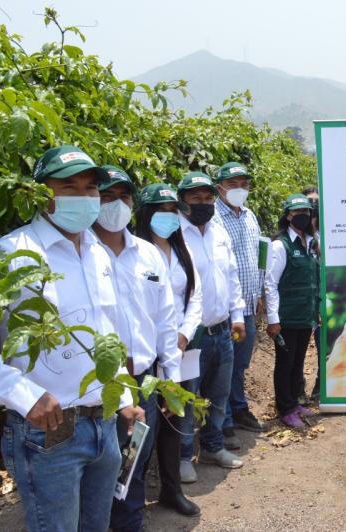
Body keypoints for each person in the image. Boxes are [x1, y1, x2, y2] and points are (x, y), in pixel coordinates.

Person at [0, 145, 143, 532]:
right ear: (41, 193)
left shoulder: (98, 253)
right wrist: (23, 395)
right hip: (49, 432)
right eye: (67, 186)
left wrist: (122, 398)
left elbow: (108, 335)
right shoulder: (11, 256)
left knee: (96, 526)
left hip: (103, 424)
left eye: (90, 189)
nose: (83, 198)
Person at [91, 168, 190, 531]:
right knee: (100, 469)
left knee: (133, 465)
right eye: (106, 197)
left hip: (144, 382)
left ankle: (130, 524)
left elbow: (166, 322)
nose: (116, 205)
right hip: (99, 387)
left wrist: (171, 380)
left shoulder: (147, 255)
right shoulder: (83, 256)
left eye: (124, 197)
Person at [133, 183, 202, 516]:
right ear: (147, 214)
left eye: (172, 211)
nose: (168, 217)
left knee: (175, 417)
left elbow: (196, 295)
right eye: (161, 211)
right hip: (147, 353)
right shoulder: (135, 251)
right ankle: (131, 496)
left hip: (179, 351)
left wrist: (184, 335)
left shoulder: (181, 250)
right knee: (143, 426)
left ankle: (170, 490)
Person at [178, 171, 246, 475]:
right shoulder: (175, 236)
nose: (204, 203)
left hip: (222, 331)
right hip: (193, 338)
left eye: (207, 198)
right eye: (196, 198)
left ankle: (212, 447)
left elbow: (231, 277)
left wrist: (238, 316)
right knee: (188, 398)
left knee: (218, 396)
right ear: (182, 202)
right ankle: (182, 456)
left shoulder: (219, 233)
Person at [212, 162, 267, 449]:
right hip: (226, 309)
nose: (239, 189)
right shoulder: (213, 218)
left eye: (243, 184)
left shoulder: (249, 216)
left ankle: (238, 407)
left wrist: (258, 293)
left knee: (240, 363)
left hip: (248, 306)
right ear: (220, 186)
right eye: (233, 184)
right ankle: (225, 421)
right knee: (224, 365)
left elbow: (256, 255)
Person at [264, 194, 319, 428]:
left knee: (297, 362)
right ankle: (284, 408)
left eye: (307, 213)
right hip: (286, 317)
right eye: (298, 213)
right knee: (285, 363)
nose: (303, 217)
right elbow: (270, 283)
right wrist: (273, 319)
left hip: (305, 315)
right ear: (288, 216)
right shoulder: (280, 246)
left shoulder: (311, 243)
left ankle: (294, 402)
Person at [301, 185, 321, 403]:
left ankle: (320, 385)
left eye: (316, 202)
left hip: (320, 296)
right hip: (302, 297)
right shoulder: (297, 234)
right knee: (298, 344)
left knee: (322, 340)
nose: (313, 205)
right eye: (310, 202)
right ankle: (298, 387)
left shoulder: (327, 232)